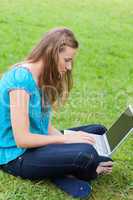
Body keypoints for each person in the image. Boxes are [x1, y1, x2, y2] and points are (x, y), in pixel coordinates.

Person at [0, 27, 113, 198]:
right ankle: (73, 170)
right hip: (16, 156)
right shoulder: (20, 80)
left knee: (98, 131)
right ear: (52, 54)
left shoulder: (45, 76)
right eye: (67, 60)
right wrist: (67, 139)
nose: (69, 67)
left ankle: (58, 168)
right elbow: (22, 139)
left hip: (38, 143)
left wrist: (71, 138)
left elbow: (44, 125)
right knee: (87, 154)